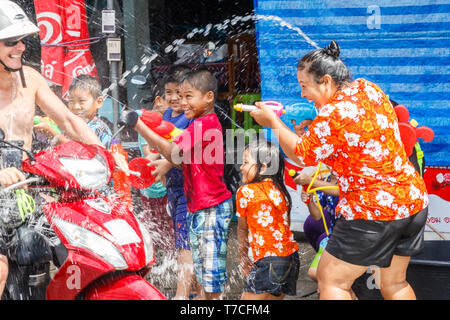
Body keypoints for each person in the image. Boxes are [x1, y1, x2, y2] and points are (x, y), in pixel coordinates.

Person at [250, 40, 429, 300]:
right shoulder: (368, 88)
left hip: (373, 210)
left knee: (331, 281)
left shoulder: (334, 113)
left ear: (325, 80)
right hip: (412, 201)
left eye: (304, 86)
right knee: (395, 282)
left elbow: (301, 153)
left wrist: (273, 122)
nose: (302, 94)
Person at [0, 1, 103, 298]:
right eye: (11, 41)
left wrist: (101, 152)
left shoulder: (30, 78)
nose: (20, 47)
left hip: (26, 192)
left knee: (74, 249)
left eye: (23, 40)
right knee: (1, 267)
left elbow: (68, 119)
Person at [122, 69, 232, 300]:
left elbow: (174, 152)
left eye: (188, 96)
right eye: (180, 96)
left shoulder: (204, 124)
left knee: (211, 278)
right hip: (199, 206)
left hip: (210, 208)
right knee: (203, 272)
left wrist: (139, 127)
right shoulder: (196, 124)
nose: (182, 102)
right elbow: (179, 158)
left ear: (209, 97)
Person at [236, 139, 299, 300]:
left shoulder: (246, 191)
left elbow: (242, 229)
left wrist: (243, 257)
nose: (241, 167)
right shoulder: (280, 190)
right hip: (290, 258)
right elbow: (286, 225)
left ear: (263, 167)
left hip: (268, 260)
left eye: (245, 162)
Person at [34, 75, 112, 147]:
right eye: (71, 101)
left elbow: (80, 152)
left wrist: (50, 132)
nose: (75, 107)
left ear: (99, 102)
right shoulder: (67, 124)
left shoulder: (99, 129)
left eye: (82, 101)